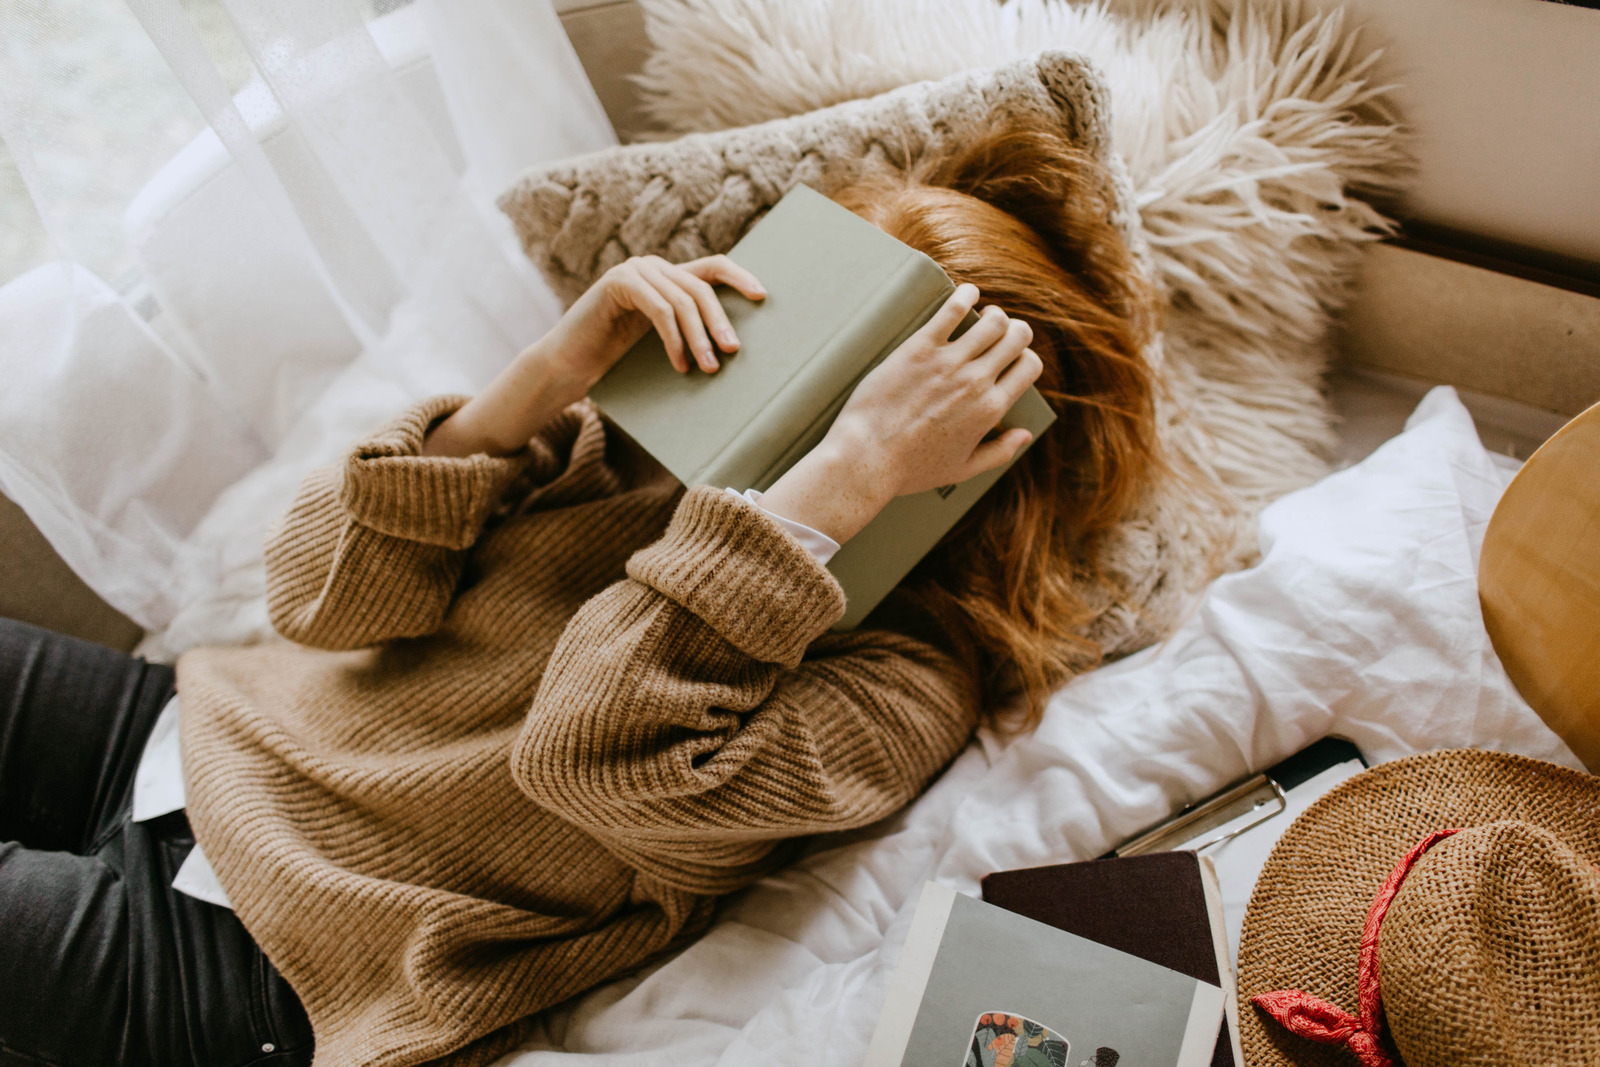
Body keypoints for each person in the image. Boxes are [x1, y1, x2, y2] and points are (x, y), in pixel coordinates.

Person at [0, 117, 1155, 1067]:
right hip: (182, 736)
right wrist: (538, 383)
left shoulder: (901, 691)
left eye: (862, 410)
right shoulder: (628, 452)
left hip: (276, 958)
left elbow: (587, 752)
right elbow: (316, 598)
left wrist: (836, 487)